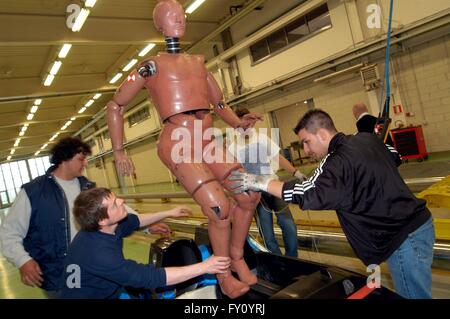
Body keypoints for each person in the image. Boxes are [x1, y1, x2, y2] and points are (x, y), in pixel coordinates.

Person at [106, 0, 262, 298]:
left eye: (182, 14)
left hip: (206, 140)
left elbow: (218, 104)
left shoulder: (198, 63)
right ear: (159, 24)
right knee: (219, 208)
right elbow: (116, 104)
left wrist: (239, 123)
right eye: (172, 15)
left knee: (250, 194)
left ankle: (238, 256)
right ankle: (224, 274)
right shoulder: (149, 66)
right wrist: (118, 150)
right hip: (178, 141)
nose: (180, 18)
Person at [230, 109, 435, 299]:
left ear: (322, 134)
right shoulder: (366, 139)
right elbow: (395, 155)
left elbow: (307, 193)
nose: (306, 149)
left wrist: (261, 182)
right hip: (419, 226)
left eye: (306, 141)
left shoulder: (336, 162)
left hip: (403, 239)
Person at [0, 137, 170, 298]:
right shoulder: (34, 192)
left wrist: (146, 226)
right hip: (58, 276)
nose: (86, 163)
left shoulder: (87, 187)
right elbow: (8, 233)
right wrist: (23, 260)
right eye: (81, 159)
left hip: (97, 272)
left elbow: (118, 210)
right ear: (65, 158)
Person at [61, 188, 230, 299]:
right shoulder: (98, 253)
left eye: (116, 198)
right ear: (103, 220)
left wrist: (169, 212)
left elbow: (136, 220)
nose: (121, 201)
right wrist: (204, 267)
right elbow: (151, 277)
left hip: (101, 288)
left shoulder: (106, 227)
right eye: (114, 204)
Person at [230, 108, 301, 257]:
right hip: (255, 194)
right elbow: (234, 173)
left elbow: (278, 158)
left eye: (250, 120)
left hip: (273, 187)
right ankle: (278, 262)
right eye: (244, 119)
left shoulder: (262, 139)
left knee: (289, 226)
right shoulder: (232, 148)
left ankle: (292, 259)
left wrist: (295, 172)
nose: (248, 123)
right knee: (267, 235)